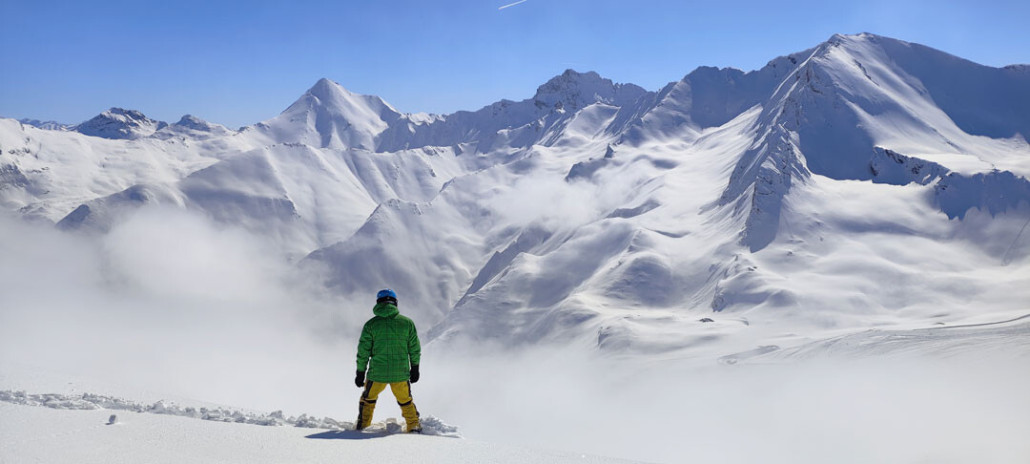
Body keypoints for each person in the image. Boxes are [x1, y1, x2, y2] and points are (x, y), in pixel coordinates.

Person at [354, 289, 422, 433]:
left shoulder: (371, 325)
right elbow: (414, 348)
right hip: (400, 373)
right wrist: (415, 367)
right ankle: (414, 426)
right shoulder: (407, 323)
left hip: (377, 374)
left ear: (379, 303)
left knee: (368, 400)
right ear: (395, 303)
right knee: (406, 400)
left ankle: (363, 426)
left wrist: (360, 372)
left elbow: (363, 352)